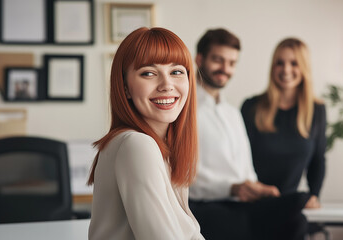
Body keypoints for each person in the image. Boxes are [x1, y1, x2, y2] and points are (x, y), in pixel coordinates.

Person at [189, 28, 310, 240]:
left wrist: (256, 188)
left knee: (297, 217)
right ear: (200, 59)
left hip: (243, 204)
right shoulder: (184, 112)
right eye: (218, 60)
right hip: (207, 206)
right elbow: (179, 178)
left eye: (232, 63)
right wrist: (232, 188)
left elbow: (246, 169)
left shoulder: (233, 113)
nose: (225, 69)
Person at [87, 27, 204, 240]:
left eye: (176, 71)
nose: (167, 85)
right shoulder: (136, 145)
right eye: (148, 73)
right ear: (125, 88)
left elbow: (190, 233)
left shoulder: (164, 149)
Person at [241, 38, 326, 209]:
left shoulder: (316, 110)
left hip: (291, 204)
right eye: (280, 63)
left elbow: (318, 160)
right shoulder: (251, 107)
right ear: (273, 67)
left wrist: (314, 195)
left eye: (294, 63)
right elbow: (238, 158)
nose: (286, 69)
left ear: (304, 68)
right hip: (252, 203)